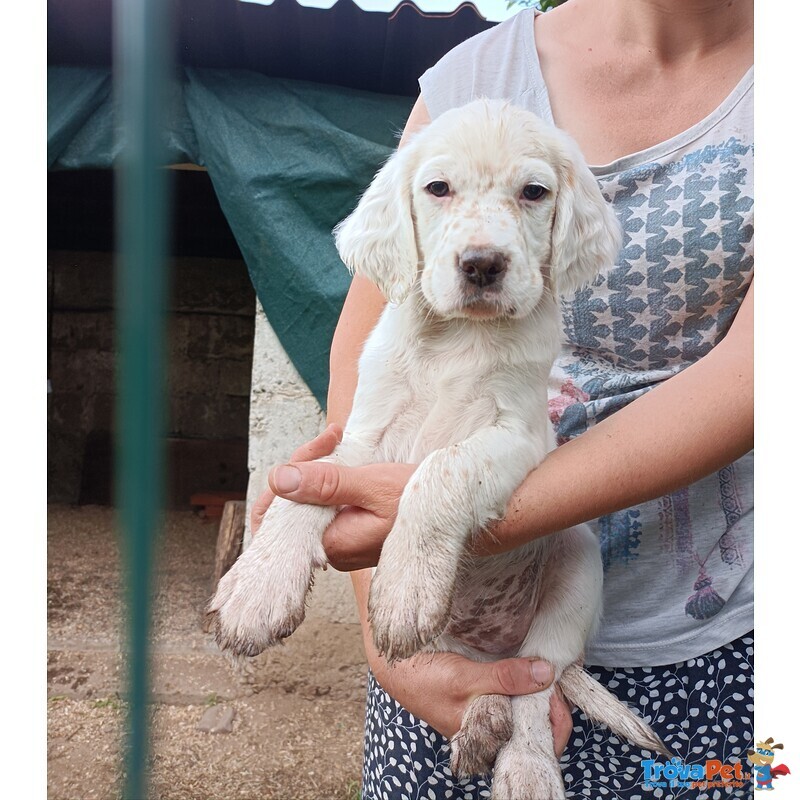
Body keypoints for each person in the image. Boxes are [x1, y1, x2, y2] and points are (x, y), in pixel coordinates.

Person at [253, 0, 754, 796]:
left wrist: (446, 516)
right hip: (435, 627)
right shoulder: (474, 79)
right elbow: (367, 358)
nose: (482, 241)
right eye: (445, 191)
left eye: (528, 195)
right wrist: (387, 638)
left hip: (718, 631)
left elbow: (758, 376)